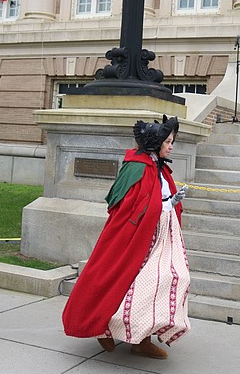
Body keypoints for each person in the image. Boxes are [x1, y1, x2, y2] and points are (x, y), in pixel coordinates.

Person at [62, 115, 190, 359]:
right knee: (124, 281)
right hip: (135, 237)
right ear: (156, 143)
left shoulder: (156, 166)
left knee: (160, 283)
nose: (172, 146)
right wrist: (165, 205)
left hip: (159, 236)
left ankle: (141, 339)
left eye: (172, 141)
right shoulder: (138, 167)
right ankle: (105, 327)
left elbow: (154, 199)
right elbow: (131, 206)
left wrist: (170, 202)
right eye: (168, 142)